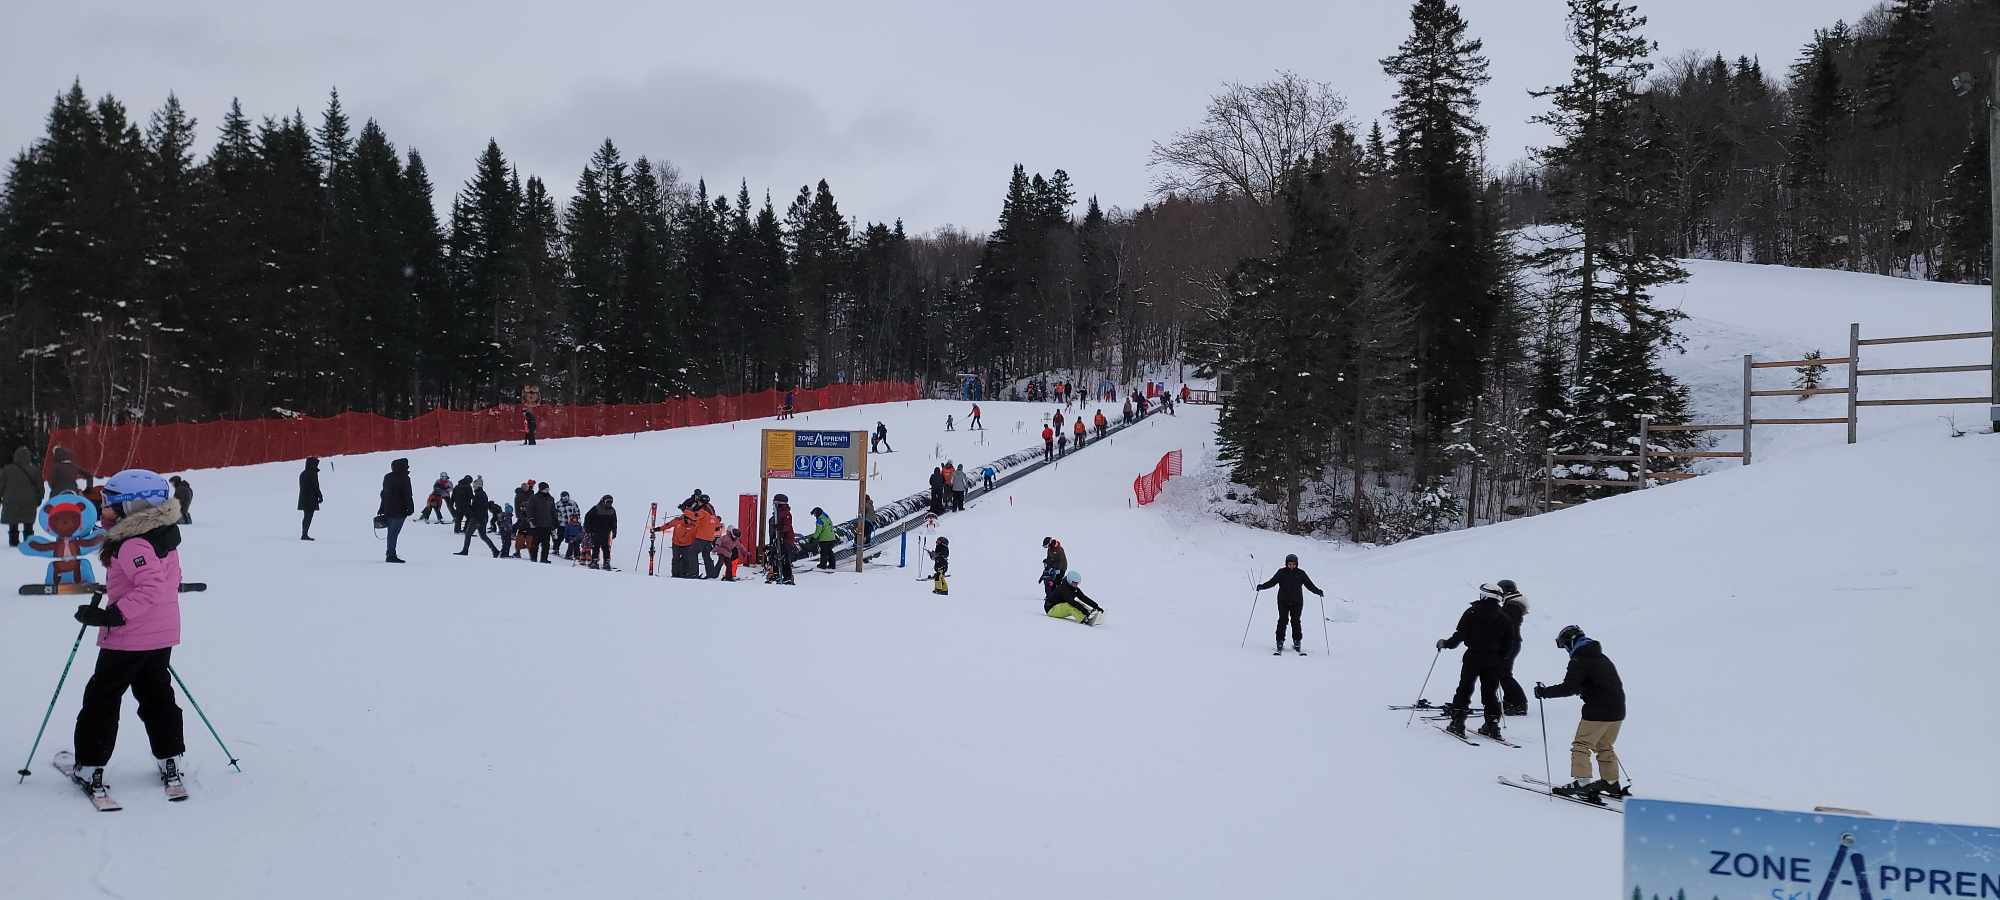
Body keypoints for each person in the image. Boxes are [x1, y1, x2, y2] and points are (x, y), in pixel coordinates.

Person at [66, 469, 187, 801]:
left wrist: (113, 614)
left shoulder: (132, 542)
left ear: (133, 507)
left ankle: (90, 766)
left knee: (102, 699)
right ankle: (169, 757)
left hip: (130, 636)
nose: (103, 510)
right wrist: (117, 589)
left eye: (109, 504)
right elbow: (166, 580)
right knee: (156, 695)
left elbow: (150, 586)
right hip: (160, 635)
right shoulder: (162, 534)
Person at [1536, 625, 1628, 801]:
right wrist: (1584, 689)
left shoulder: (1580, 659)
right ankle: (1611, 782)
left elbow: (1569, 688)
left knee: (1581, 745)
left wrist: (1544, 692)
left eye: (1564, 646)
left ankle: (1583, 784)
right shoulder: (1601, 656)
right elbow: (1597, 682)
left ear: (1571, 642)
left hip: (1598, 710)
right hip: (1617, 709)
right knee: (1604, 745)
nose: (1566, 650)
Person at [1436, 584, 1512, 740]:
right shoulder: (1504, 617)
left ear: (1484, 595)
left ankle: (1458, 723)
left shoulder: (1472, 612)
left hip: (1473, 657)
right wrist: (1501, 657)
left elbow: (1460, 635)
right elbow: (1509, 643)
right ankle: (1492, 725)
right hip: (1493, 659)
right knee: (1490, 692)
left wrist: (1446, 643)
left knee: (1465, 688)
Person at [1257, 553, 1325, 655]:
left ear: (1296, 564)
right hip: (1283, 601)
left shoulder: (1301, 573)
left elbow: (1309, 585)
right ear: (1286, 564)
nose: (1291, 566)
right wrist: (1262, 586)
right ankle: (1279, 641)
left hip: (1297, 602)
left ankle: (1297, 642)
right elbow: (1272, 582)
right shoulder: (1281, 572)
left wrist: (1317, 591)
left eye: (1293, 564)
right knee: (1283, 620)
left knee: (1295, 621)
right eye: (1289, 564)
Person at [1497, 579, 1530, 716]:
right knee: (1503, 673)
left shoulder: (1512, 606)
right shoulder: (1512, 604)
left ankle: (1519, 703)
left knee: (1503, 673)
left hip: (1510, 643)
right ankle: (1511, 701)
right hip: (1511, 642)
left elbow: (1506, 625)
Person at [4, 446, 44, 547]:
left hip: (11, 501)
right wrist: (39, 499)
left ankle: (13, 542)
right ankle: (28, 542)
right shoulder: (34, 470)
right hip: (29, 501)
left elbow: (1, 485)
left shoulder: (7, 470)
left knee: (13, 522)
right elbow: (40, 487)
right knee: (28, 523)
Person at [377, 458, 414, 563]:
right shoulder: (405, 478)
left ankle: (390, 553)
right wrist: (411, 508)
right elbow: (408, 495)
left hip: (388, 509)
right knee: (394, 533)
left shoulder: (387, 477)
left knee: (391, 533)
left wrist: (381, 507)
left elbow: (384, 494)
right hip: (400, 510)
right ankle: (391, 555)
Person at [456, 477, 500, 557]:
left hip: (477, 518)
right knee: (483, 536)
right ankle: (495, 550)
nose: (473, 487)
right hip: (483, 518)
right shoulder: (481, 493)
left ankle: (465, 551)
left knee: (468, 534)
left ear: (478, 486)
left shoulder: (479, 494)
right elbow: (480, 507)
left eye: (474, 485)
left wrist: (468, 507)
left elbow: (478, 508)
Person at [766, 494, 796, 584]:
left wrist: (780, 529)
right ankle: (776, 573)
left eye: (775, 503)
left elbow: (787, 526)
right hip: (777, 539)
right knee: (774, 556)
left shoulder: (786, 513)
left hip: (786, 539)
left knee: (784, 558)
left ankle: (788, 576)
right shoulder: (776, 514)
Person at [661, 506, 699, 577]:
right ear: (685, 518)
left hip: (688, 545)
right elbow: (667, 525)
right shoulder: (677, 521)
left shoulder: (694, 525)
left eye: (693, 520)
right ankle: (675, 574)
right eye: (690, 519)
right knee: (675, 560)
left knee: (686, 560)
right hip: (676, 544)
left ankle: (684, 574)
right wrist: (658, 529)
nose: (691, 521)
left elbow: (700, 533)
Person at [584, 495, 618, 571]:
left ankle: (606, 562)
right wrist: (588, 529)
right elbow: (587, 517)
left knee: (606, 548)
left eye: (610, 502)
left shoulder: (612, 510)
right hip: (595, 532)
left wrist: (614, 531)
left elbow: (614, 522)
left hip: (606, 533)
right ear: (603, 501)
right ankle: (594, 561)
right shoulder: (596, 508)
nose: (609, 504)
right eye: (607, 502)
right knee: (595, 547)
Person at [295, 456, 323, 542]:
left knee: (306, 517)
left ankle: (304, 533)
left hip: (304, 499)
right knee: (308, 517)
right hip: (311, 499)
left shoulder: (303, 473)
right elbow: (316, 486)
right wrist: (320, 496)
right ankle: (304, 534)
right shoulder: (312, 473)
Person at [528, 482, 557, 563]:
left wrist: (555, 521)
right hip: (537, 524)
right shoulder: (534, 497)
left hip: (548, 525)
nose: (547, 490)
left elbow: (553, 511)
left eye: (548, 489)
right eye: (545, 489)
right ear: (541, 489)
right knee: (535, 543)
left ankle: (544, 559)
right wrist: (531, 519)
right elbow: (530, 509)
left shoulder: (551, 498)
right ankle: (533, 559)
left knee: (546, 544)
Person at [692, 500, 720, 577]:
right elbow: (717, 526)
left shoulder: (703, 510)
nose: (698, 503)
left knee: (692, 553)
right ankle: (711, 574)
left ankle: (693, 573)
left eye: (699, 502)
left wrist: (687, 511)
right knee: (706, 556)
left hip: (701, 538)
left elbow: (694, 516)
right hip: (709, 539)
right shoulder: (713, 513)